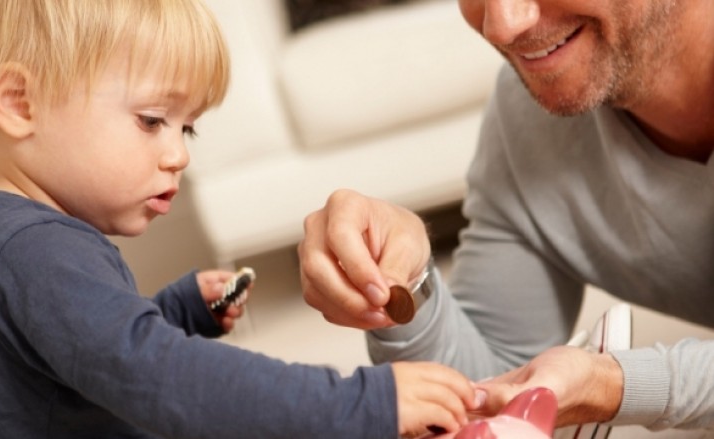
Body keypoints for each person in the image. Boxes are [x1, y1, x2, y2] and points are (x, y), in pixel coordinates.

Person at [0, 1, 483, 437]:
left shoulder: (6, 246)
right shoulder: (33, 253)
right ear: (19, 103)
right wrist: (365, 406)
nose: (179, 155)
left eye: (187, 128)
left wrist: (174, 311)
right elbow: (169, 382)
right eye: (151, 120)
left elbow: (82, 353)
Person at [298, 0, 714, 434]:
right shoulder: (528, 120)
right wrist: (406, 281)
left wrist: (616, 385)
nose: (501, 25)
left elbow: (607, 387)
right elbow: (486, 392)